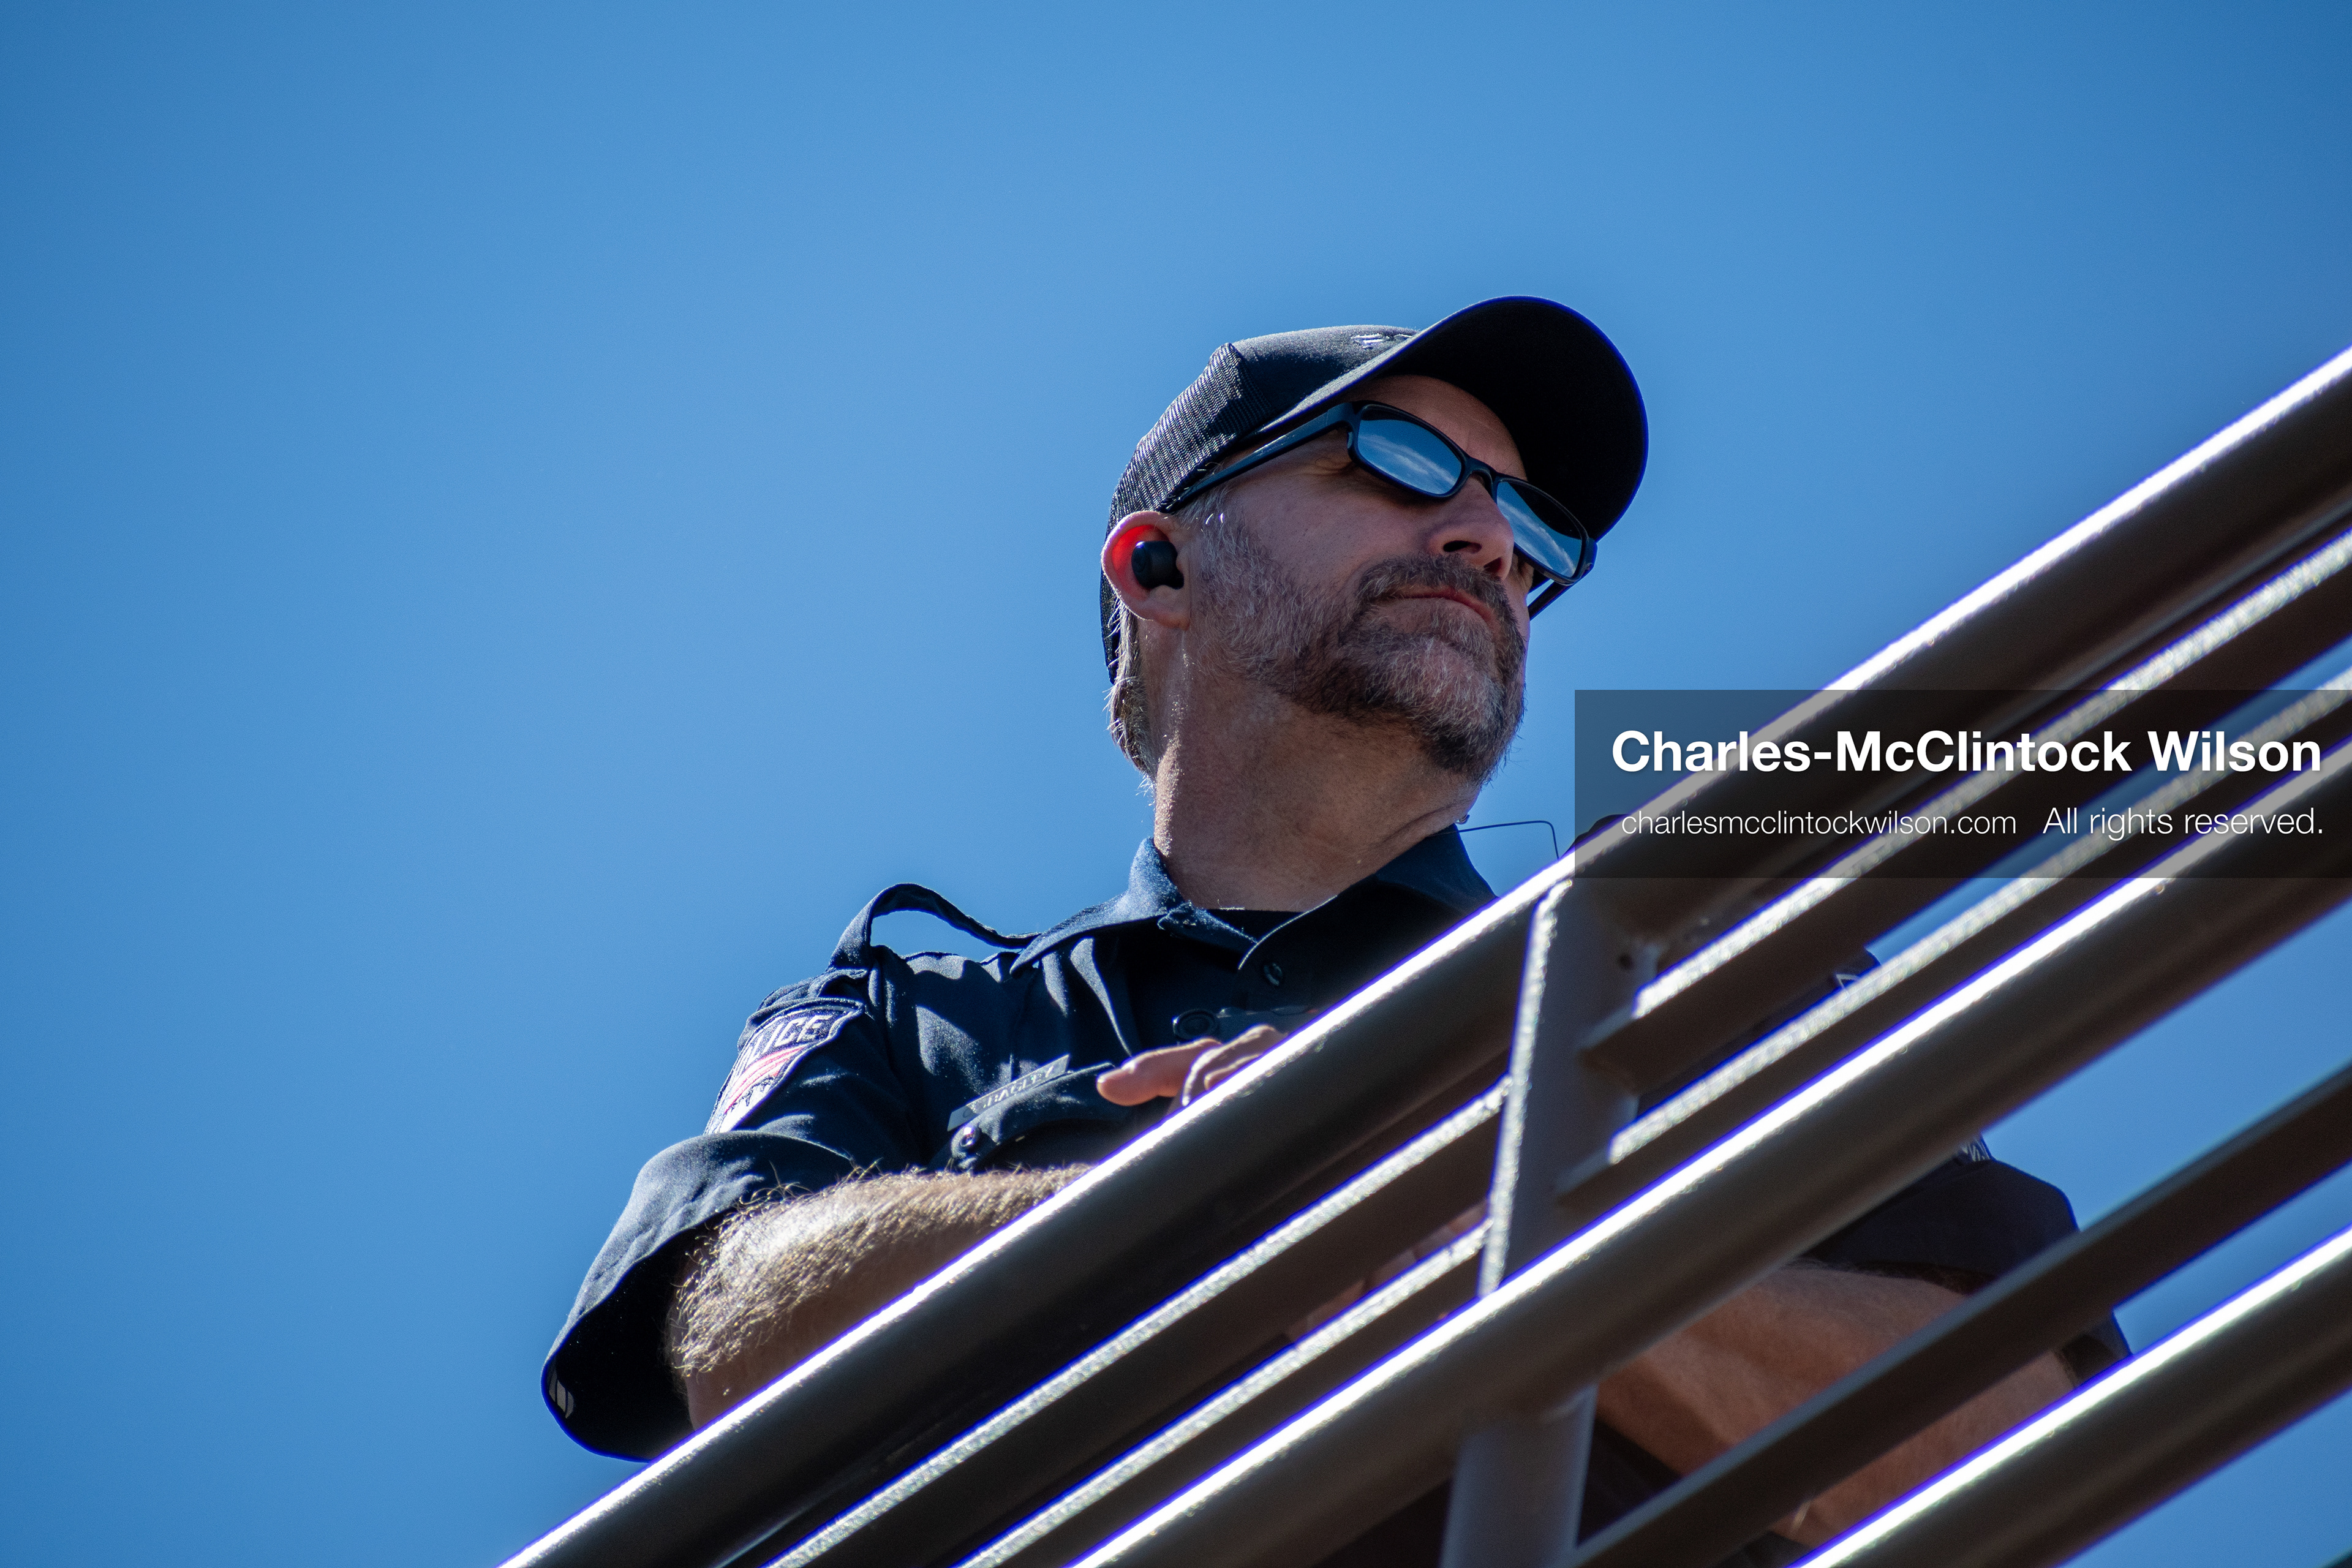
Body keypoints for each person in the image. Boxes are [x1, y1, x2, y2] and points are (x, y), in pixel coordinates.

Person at [543, 297, 2119, 1564]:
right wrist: (1188, 1210)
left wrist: (1423, 1227)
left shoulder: (1682, 979)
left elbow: (1986, 1442)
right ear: (1157, 566)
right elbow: (723, 1338)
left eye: (1530, 529)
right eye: (1404, 464)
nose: (1494, 544)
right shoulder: (911, 1018)